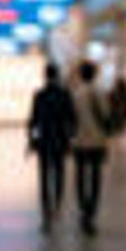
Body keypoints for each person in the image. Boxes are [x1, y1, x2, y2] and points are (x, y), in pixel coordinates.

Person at [27, 64, 76, 235]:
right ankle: (57, 205)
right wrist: (70, 138)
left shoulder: (39, 95)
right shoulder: (64, 94)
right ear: (57, 75)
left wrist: (30, 141)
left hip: (44, 141)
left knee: (44, 177)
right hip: (60, 141)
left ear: (45, 76)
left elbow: (33, 120)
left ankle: (46, 213)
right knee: (59, 174)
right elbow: (71, 118)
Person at [70, 62, 116, 235]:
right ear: (94, 74)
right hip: (97, 141)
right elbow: (106, 115)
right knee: (96, 177)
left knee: (80, 175)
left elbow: (72, 118)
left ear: (81, 75)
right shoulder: (99, 93)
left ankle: (83, 208)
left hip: (79, 141)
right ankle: (91, 212)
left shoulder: (75, 94)